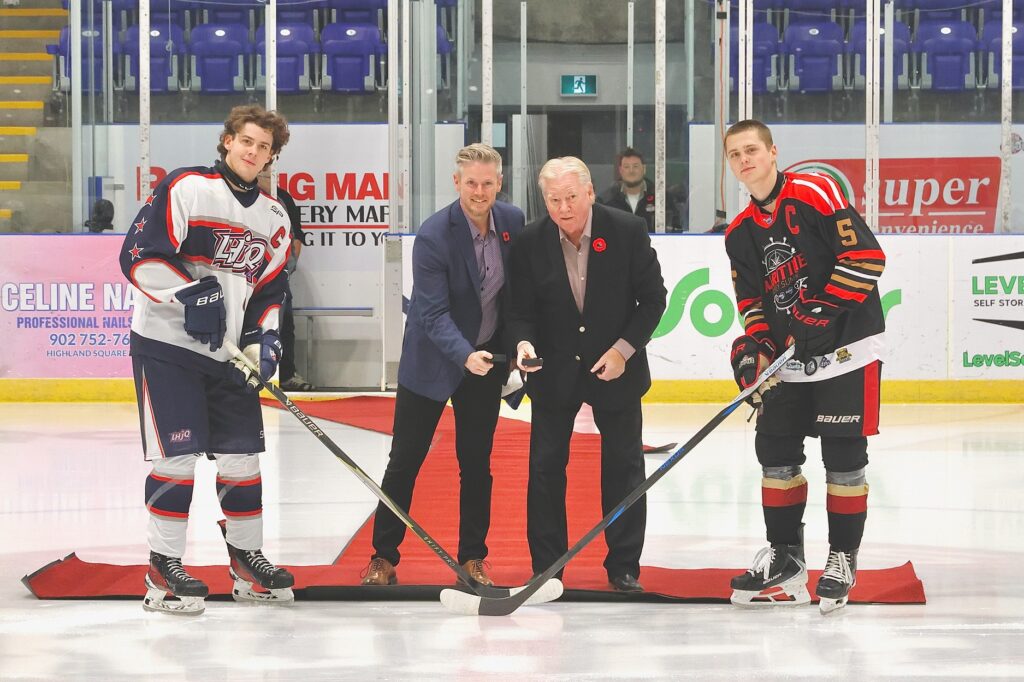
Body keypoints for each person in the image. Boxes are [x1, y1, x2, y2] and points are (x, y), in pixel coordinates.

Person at [119, 104, 297, 615]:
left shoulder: (274, 217)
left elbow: (269, 291)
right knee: (177, 459)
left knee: (242, 459)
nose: (253, 152)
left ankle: (246, 561)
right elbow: (140, 256)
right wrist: (192, 294)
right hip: (167, 347)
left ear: (272, 156)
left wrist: (263, 342)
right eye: (247, 141)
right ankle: (163, 569)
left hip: (228, 355)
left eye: (264, 147)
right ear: (227, 141)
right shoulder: (187, 187)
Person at [722, 119, 886, 614]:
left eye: (752, 150)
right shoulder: (739, 232)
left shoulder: (814, 192)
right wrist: (758, 350)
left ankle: (842, 558)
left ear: (773, 152)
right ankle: (787, 560)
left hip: (845, 352)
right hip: (790, 361)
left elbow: (866, 257)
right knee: (774, 452)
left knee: (843, 457)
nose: (744, 160)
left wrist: (823, 311)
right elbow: (752, 301)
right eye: (734, 154)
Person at [361, 143, 525, 587]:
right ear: (456, 183)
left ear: (499, 183)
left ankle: (473, 559)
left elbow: (516, 295)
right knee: (405, 460)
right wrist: (464, 354)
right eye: (471, 183)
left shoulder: (512, 222)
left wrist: (512, 348)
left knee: (476, 463)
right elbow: (431, 313)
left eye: (487, 183)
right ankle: (382, 557)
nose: (479, 191)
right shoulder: (434, 234)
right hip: (433, 361)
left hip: (485, 362)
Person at [509, 157, 666, 593]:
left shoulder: (627, 231)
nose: (563, 208)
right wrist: (522, 345)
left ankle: (624, 567)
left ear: (591, 192)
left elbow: (653, 300)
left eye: (571, 197)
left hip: (615, 370)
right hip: (554, 372)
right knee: (545, 468)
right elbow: (518, 311)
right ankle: (548, 569)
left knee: (624, 467)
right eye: (553, 199)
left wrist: (623, 351)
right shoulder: (529, 241)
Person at [256, 170, 316, 392]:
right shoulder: (240, 197)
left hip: (278, 274)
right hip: (247, 276)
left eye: (271, 173)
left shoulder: (283, 198)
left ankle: (287, 374)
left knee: (285, 325)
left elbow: (296, 238)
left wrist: (286, 271)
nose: (270, 177)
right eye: (265, 174)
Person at [597, 147, 681, 233]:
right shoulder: (606, 201)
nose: (631, 171)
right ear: (620, 170)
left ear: (644, 169)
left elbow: (675, 229)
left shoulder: (662, 199)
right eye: (626, 167)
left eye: (635, 166)